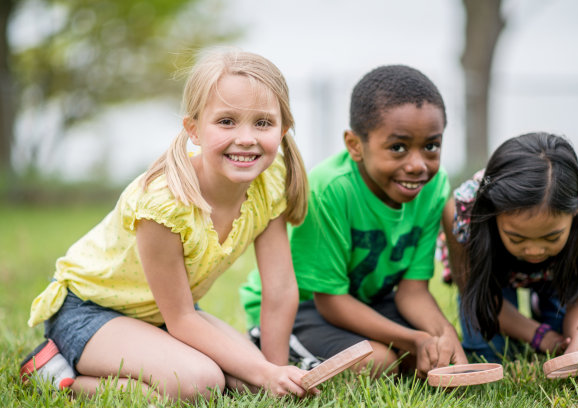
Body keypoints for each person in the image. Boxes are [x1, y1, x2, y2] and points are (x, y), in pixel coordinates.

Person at [20, 49, 314, 401]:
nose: (247, 138)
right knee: (199, 384)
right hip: (91, 311)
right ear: (194, 129)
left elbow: (279, 289)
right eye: (226, 121)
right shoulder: (165, 203)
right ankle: (54, 374)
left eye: (263, 123)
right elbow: (183, 319)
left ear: (283, 128)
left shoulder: (270, 181)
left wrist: (275, 373)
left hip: (162, 313)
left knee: (247, 384)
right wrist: (267, 372)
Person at [240, 64, 467, 378]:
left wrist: (444, 335)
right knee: (378, 363)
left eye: (431, 146)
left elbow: (412, 291)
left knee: (432, 358)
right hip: (303, 309)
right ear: (355, 145)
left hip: (370, 302)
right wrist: (414, 339)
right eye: (398, 147)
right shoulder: (329, 189)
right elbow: (330, 301)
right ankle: (256, 343)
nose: (417, 165)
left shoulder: (434, 188)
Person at [441, 132, 578, 363]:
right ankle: (537, 315)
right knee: (489, 354)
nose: (534, 251)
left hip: (560, 277)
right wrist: (541, 336)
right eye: (517, 238)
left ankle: (545, 301)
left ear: (577, 208)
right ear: (493, 214)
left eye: (551, 238)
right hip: (491, 280)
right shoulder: (465, 213)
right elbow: (477, 296)